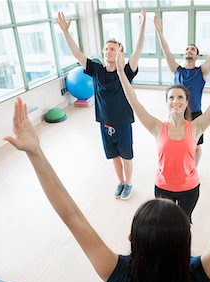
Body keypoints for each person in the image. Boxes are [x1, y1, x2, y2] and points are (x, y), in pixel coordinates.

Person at [4, 86, 210, 282]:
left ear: (130, 239)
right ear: (187, 240)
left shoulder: (121, 275)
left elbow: (71, 216)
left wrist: (35, 153)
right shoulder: (196, 278)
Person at [116, 41, 210, 223]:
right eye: (171, 97)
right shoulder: (156, 127)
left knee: (184, 225)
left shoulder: (195, 127)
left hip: (189, 189)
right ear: (166, 101)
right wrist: (121, 72)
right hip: (162, 188)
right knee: (163, 226)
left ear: (186, 102)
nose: (175, 101)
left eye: (180, 97)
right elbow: (134, 102)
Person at [57, 9, 146, 200]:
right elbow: (77, 54)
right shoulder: (96, 70)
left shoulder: (126, 71)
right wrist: (65, 32)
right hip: (104, 122)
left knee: (126, 156)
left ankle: (129, 183)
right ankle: (120, 182)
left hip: (122, 122)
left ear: (119, 52)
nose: (108, 52)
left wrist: (142, 26)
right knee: (113, 156)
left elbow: (138, 51)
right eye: (106, 49)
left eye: (112, 49)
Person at [154, 15, 210, 166]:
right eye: (187, 49)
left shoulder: (202, 71)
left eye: (192, 49)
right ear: (184, 54)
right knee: (176, 142)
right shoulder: (177, 70)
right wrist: (159, 32)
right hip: (177, 114)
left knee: (196, 145)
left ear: (196, 55)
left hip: (195, 114)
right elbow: (166, 51)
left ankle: (193, 168)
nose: (189, 51)